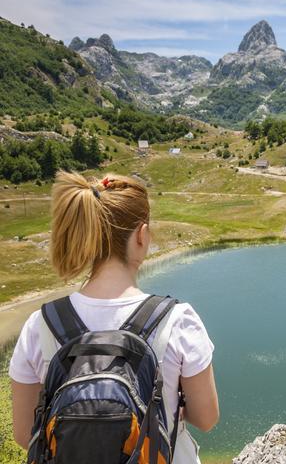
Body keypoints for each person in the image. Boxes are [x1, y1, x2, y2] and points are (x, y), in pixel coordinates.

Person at [9, 171, 219, 462]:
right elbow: (207, 418)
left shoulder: (40, 324)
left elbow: (24, 433)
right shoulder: (178, 320)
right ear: (142, 236)